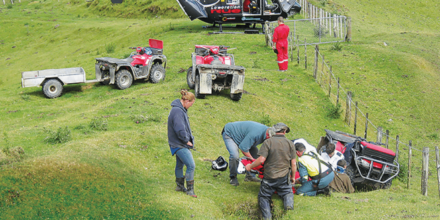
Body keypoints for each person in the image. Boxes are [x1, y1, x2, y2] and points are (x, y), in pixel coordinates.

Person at [245, 123, 296, 220]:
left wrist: (249, 166)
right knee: (287, 192)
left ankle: (267, 217)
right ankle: (289, 208)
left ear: (274, 131)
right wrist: (293, 177)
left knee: (264, 196)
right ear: (284, 132)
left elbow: (261, 160)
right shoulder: (290, 144)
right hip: (284, 176)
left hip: (269, 177)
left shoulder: (268, 142)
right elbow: (293, 164)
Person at [222, 121, 274, 186]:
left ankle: (250, 176)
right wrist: (252, 160)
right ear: (268, 135)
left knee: (256, 154)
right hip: (230, 134)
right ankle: (233, 177)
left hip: (243, 138)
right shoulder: (256, 134)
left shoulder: (268, 132)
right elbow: (243, 148)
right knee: (235, 156)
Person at [167, 89, 197, 198]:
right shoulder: (178, 111)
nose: (190, 106)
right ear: (187, 101)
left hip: (177, 143)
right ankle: (190, 190)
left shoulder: (179, 109)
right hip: (179, 144)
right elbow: (180, 129)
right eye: (191, 104)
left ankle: (179, 186)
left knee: (179, 165)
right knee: (191, 165)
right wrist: (187, 141)